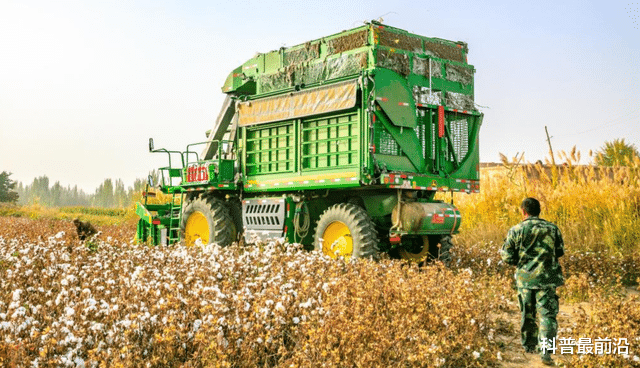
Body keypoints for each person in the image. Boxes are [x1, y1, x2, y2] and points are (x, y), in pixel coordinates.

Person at [500, 198, 564, 366]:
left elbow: (507, 256)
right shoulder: (553, 228)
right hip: (547, 279)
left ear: (523, 211)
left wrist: (521, 263)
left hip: (525, 279)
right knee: (547, 315)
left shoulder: (516, 230)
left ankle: (529, 346)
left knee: (527, 314)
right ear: (539, 211)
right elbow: (559, 251)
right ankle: (546, 352)